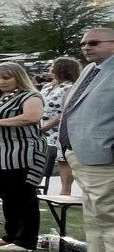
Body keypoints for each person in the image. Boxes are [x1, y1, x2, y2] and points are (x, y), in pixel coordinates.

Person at [0, 62, 46, 251]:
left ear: (18, 77)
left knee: (24, 198)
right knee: (7, 197)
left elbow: (32, 117)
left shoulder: (30, 96)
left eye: (6, 77)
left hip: (21, 154)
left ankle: (27, 241)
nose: (1, 82)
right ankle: (11, 234)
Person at [61, 27, 114, 252]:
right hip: (79, 154)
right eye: (83, 43)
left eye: (93, 43)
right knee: (94, 217)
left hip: (104, 157)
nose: (86, 47)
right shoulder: (91, 69)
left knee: (109, 217)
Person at [41, 57, 83, 196]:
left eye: (52, 65)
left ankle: (65, 191)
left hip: (58, 128)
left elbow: (65, 112)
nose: (49, 68)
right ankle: (35, 186)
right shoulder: (47, 86)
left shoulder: (70, 87)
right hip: (41, 125)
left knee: (62, 160)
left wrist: (46, 127)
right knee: (39, 157)